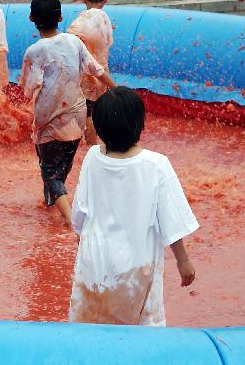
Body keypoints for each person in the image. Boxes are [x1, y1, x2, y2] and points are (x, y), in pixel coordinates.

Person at [69, 87, 198, 326]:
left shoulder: (92, 158)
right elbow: (171, 220)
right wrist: (183, 260)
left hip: (95, 265)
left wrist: (83, 249)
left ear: (98, 127)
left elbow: (79, 216)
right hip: (137, 269)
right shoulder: (156, 165)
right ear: (141, 124)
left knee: (90, 329)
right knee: (142, 332)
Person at [20, 0, 116, 226]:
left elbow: (27, 89)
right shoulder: (74, 42)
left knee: (50, 171)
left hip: (49, 119)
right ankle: (52, 199)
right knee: (62, 166)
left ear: (31, 18)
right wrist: (116, 89)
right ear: (61, 17)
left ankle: (70, 219)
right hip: (77, 116)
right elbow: (96, 70)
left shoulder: (34, 51)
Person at [68, 0, 113, 145]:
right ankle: (96, 143)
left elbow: (71, 42)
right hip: (102, 72)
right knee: (94, 110)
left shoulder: (82, 20)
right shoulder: (104, 18)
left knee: (88, 112)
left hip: (88, 75)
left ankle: (91, 146)